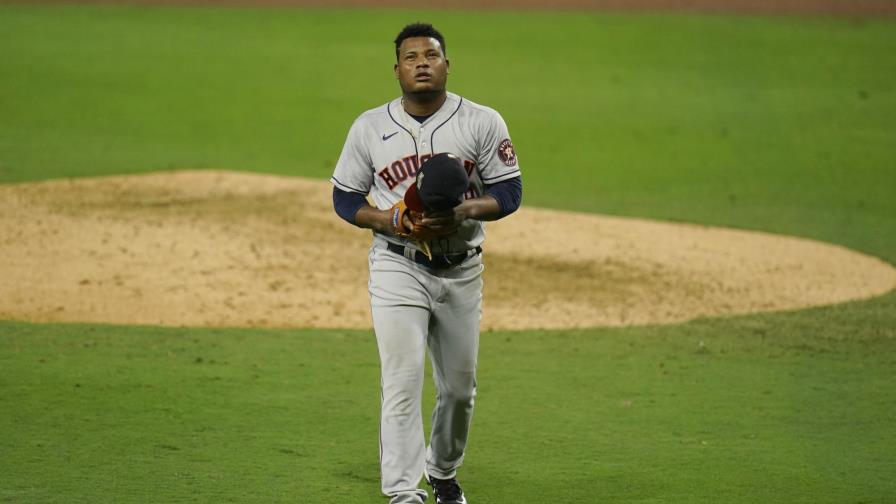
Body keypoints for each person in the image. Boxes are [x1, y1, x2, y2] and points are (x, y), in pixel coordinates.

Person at [330, 22, 522, 504]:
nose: (421, 62)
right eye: (411, 56)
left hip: (462, 269)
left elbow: (509, 192)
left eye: (431, 55)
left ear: (446, 65)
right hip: (398, 266)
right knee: (402, 378)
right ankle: (402, 491)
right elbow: (344, 197)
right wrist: (389, 218)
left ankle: (442, 473)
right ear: (396, 69)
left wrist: (462, 212)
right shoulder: (370, 127)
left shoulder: (481, 122)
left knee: (459, 390)